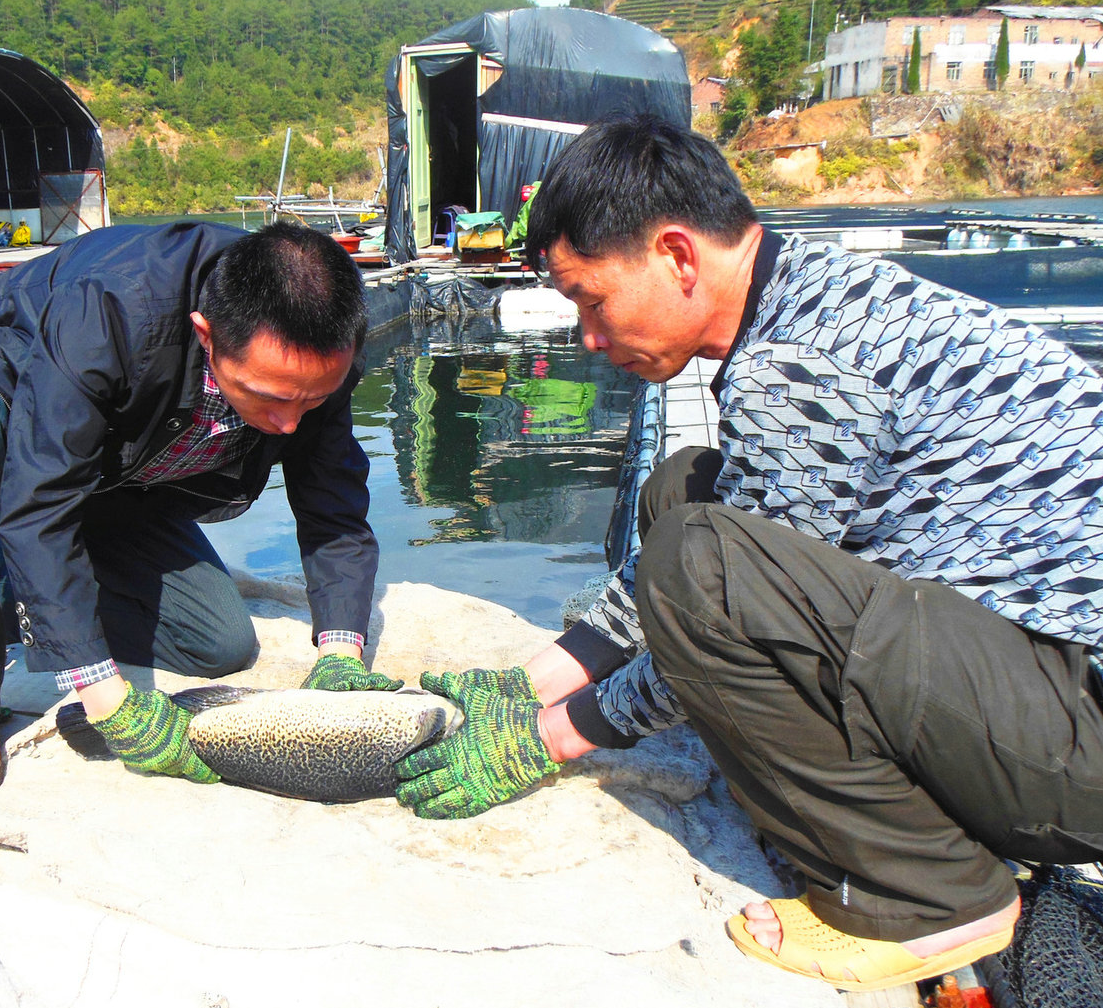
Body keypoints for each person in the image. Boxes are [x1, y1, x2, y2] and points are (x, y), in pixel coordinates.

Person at [393, 115, 1103, 993]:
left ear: (678, 257)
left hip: (1077, 738)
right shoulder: (808, 293)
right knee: (686, 487)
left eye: (591, 301)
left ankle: (931, 897)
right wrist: (538, 679)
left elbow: (720, 601)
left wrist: (546, 739)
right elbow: (729, 540)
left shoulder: (797, 364)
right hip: (1035, 682)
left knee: (701, 557)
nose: (586, 337)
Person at [0, 220, 397, 801]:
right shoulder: (113, 308)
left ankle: (0, 591)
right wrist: (106, 699)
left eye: (314, 399)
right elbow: (41, 497)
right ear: (206, 334)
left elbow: (334, 507)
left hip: (112, 475)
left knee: (217, 645)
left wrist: (342, 651)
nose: (290, 424)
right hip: (10, 400)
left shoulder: (318, 340)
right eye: (272, 398)